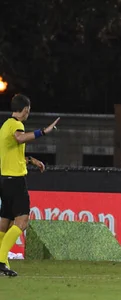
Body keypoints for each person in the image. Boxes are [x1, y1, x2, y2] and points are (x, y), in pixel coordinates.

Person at [0, 94, 59, 277]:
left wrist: (32, 160)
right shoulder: (17, 125)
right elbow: (19, 138)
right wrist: (43, 131)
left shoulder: (4, 126)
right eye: (29, 110)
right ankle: (1, 261)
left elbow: (12, 154)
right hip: (16, 181)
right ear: (25, 110)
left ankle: (3, 264)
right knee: (22, 221)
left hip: (4, 179)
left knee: (4, 223)